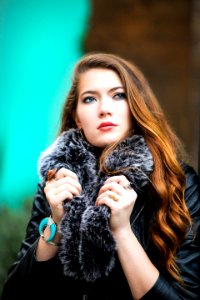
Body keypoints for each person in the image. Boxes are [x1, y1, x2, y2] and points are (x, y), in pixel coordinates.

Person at [1, 52, 199, 300]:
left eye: (118, 95)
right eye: (90, 99)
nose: (104, 109)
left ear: (135, 107)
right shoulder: (58, 183)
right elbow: (13, 296)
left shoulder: (177, 182)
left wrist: (123, 232)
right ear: (77, 118)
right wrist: (56, 224)